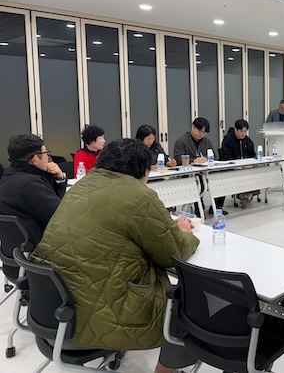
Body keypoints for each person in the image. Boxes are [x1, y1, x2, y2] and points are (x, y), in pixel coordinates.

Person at [31, 139, 199, 373]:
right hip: (92, 322)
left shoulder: (80, 186)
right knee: (194, 310)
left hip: (53, 314)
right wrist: (184, 232)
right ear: (144, 171)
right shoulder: (140, 196)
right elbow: (174, 253)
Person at [0, 134, 66, 245]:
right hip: (41, 248)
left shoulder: (7, 178)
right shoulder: (30, 185)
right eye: (46, 153)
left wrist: (59, 179)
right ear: (35, 159)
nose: (47, 157)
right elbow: (61, 216)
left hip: (16, 249)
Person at [173, 118, 226, 214]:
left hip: (205, 171)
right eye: (199, 131)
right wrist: (194, 160)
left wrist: (206, 159)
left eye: (204, 132)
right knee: (199, 182)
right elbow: (178, 159)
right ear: (193, 127)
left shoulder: (206, 141)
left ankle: (217, 207)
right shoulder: (182, 141)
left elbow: (215, 156)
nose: (201, 134)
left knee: (221, 179)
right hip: (189, 174)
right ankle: (198, 207)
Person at [219, 119, 258, 208]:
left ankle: (246, 197)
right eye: (241, 131)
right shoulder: (228, 140)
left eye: (245, 131)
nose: (243, 134)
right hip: (233, 168)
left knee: (254, 174)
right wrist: (234, 165)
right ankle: (243, 195)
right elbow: (225, 157)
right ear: (235, 129)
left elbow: (253, 154)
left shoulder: (247, 140)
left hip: (245, 168)